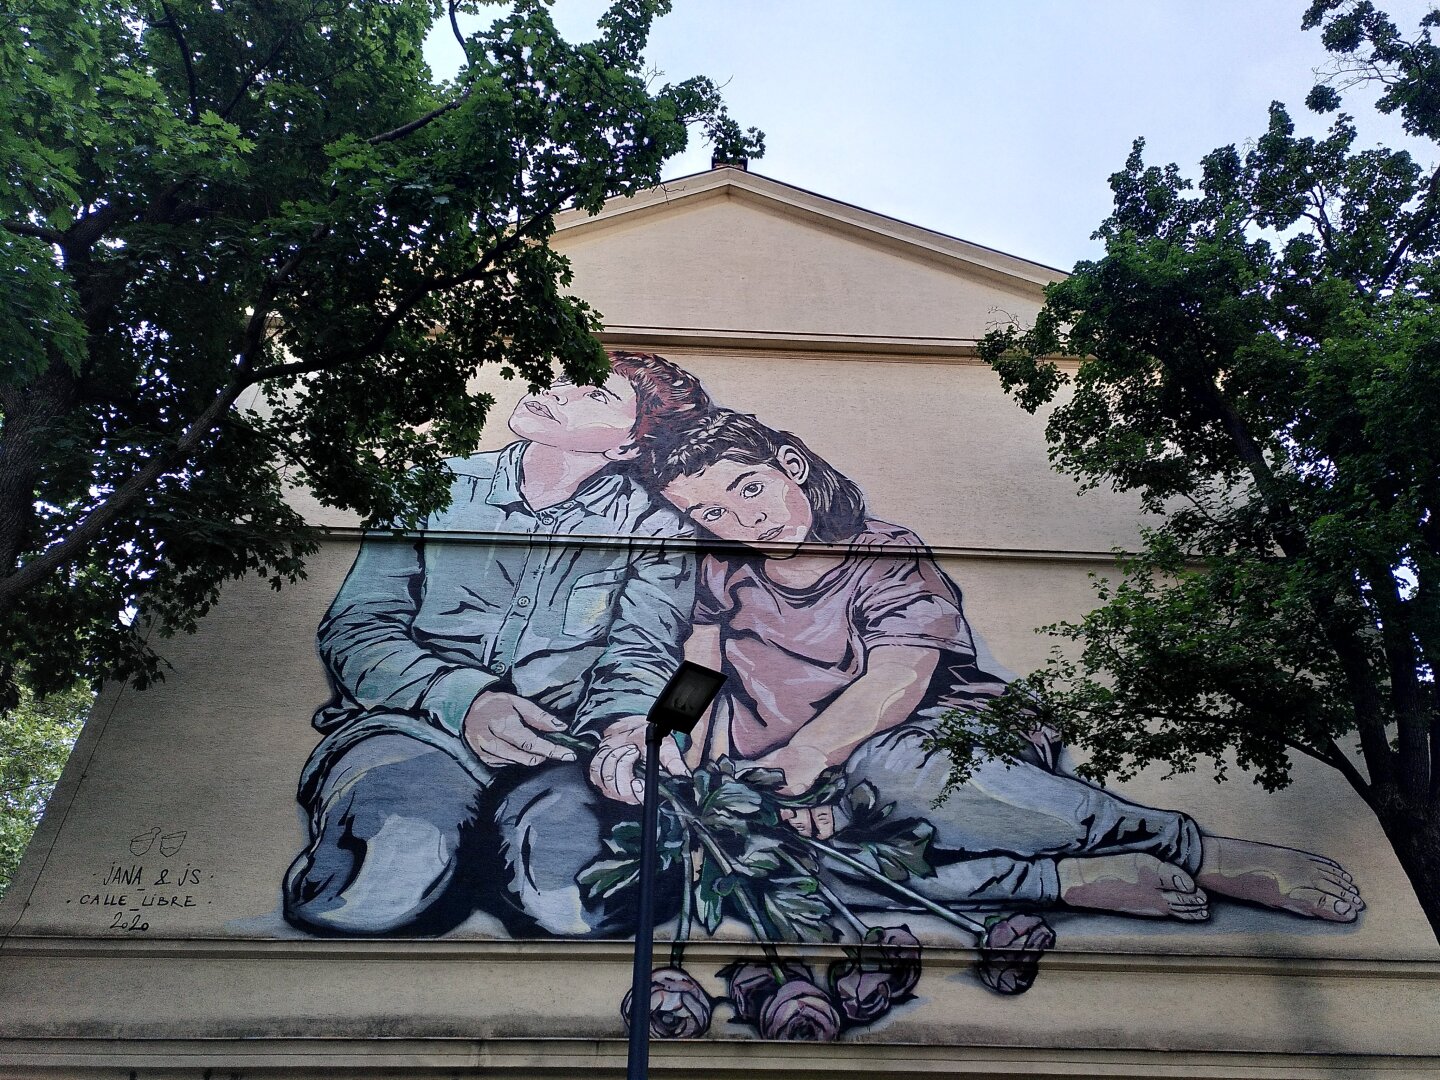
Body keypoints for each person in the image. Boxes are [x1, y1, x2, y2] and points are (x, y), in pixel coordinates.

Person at [647, 408, 1364, 925]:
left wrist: (809, 755)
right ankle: (1062, 882)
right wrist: (665, 740)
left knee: (901, 773)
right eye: (710, 512)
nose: (742, 522)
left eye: (748, 489)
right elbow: (699, 669)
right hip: (792, 781)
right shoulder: (723, 569)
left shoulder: (884, 554)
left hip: (929, 741)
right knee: (764, 865)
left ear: (792, 466)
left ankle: (1195, 850)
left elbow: (897, 678)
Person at [283, 353, 707, 937]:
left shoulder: (657, 531)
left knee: (569, 907)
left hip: (564, 750)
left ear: (628, 447)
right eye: (563, 380)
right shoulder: (432, 485)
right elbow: (357, 629)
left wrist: (627, 724)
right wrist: (467, 699)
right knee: (378, 889)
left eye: (597, 398)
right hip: (408, 727)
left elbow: (643, 651)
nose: (556, 393)